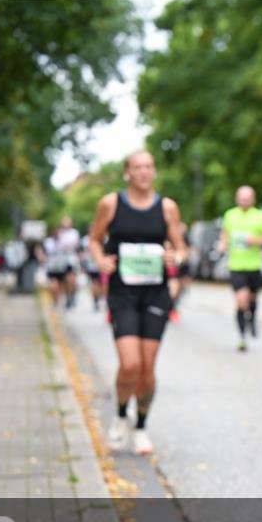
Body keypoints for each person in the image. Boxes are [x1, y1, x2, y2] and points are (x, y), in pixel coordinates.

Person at [88, 150, 187, 456]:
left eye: (148, 167)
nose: (143, 172)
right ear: (127, 173)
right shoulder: (111, 203)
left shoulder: (167, 208)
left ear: (154, 172)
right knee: (129, 364)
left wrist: (177, 257)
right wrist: (100, 259)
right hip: (122, 293)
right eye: (137, 167)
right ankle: (119, 416)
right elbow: (93, 239)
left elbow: (182, 248)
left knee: (147, 367)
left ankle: (141, 426)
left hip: (155, 293)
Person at [220, 186, 262, 350]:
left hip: (254, 265)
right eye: (241, 198)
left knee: (252, 299)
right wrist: (224, 243)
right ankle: (242, 335)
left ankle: (252, 318)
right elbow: (225, 233)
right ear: (237, 198)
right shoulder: (230, 214)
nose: (244, 201)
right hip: (236, 265)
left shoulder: (260, 216)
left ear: (253, 199)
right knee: (240, 300)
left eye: (247, 198)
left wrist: (255, 241)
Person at [79, 233, 105, 311]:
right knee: (95, 283)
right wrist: (83, 265)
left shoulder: (104, 237)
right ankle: (96, 300)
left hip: (102, 265)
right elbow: (82, 253)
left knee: (100, 284)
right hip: (92, 266)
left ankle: (98, 299)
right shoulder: (86, 240)